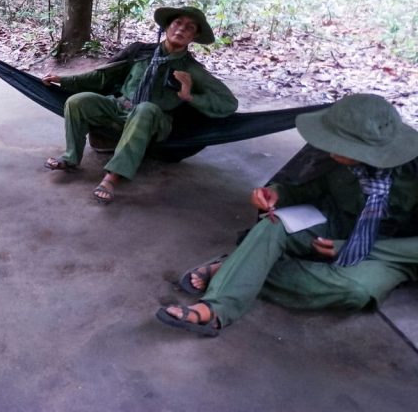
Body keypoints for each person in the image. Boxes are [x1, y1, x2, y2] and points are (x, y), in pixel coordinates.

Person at [156, 93, 418, 337]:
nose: (329, 149)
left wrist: (354, 249)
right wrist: (278, 193)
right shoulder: (336, 157)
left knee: (356, 291)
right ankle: (217, 308)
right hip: (337, 220)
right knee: (274, 224)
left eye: (340, 146)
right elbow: (317, 187)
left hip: (391, 250)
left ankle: (236, 269)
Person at [42, 6, 237, 204]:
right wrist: (65, 80)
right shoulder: (140, 51)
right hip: (119, 108)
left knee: (145, 108)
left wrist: (189, 96)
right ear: (167, 27)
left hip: (154, 120)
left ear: (194, 36)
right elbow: (103, 76)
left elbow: (229, 103)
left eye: (190, 27)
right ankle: (71, 158)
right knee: (77, 101)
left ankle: (113, 176)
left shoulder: (192, 69)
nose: (181, 29)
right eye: (177, 23)